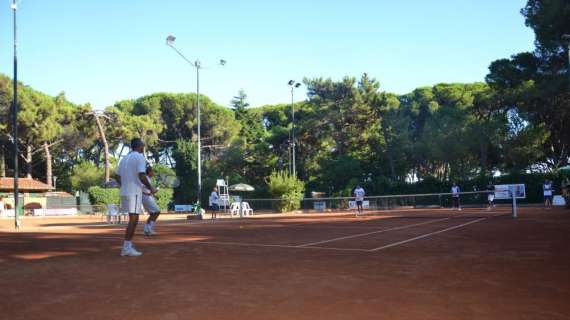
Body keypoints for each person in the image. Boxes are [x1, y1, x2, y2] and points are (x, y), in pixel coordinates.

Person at [115, 138, 156, 257]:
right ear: (140, 146)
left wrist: (125, 185)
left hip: (125, 192)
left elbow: (117, 176)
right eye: (143, 145)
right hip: (134, 192)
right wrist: (151, 187)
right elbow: (142, 175)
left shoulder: (124, 159)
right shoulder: (140, 157)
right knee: (134, 220)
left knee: (132, 219)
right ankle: (126, 247)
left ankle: (128, 245)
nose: (143, 148)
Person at [142, 166, 161, 236]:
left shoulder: (148, 179)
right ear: (149, 172)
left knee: (152, 214)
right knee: (157, 212)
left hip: (147, 197)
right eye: (152, 171)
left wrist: (155, 195)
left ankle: (146, 229)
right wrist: (157, 188)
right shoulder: (146, 178)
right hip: (146, 197)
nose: (153, 173)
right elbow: (150, 189)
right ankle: (150, 228)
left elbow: (150, 190)